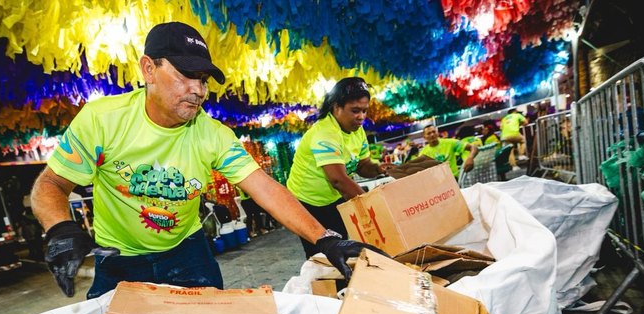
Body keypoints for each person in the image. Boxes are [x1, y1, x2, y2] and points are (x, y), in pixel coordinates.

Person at [30, 22, 384, 298]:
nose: (197, 89)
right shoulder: (101, 120)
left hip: (188, 251)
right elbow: (51, 184)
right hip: (118, 258)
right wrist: (61, 229)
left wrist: (324, 238)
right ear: (148, 69)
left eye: (202, 79)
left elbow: (263, 187)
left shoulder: (212, 133)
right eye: (184, 74)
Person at [285, 77, 389, 258]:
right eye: (355, 110)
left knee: (342, 243)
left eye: (364, 111)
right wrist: (375, 208)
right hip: (307, 202)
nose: (361, 117)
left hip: (332, 197)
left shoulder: (357, 130)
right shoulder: (325, 133)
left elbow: (362, 165)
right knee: (321, 254)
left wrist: (379, 169)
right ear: (336, 107)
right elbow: (338, 180)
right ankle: (323, 285)